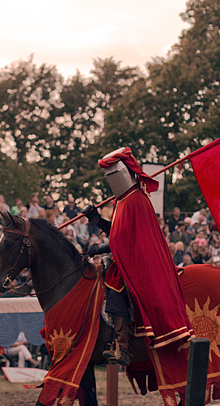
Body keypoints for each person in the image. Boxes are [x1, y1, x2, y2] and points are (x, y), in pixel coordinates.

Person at [83, 147, 193, 366]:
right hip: (124, 257)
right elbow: (116, 232)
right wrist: (95, 219)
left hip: (139, 261)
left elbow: (123, 241)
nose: (111, 178)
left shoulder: (136, 200)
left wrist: (98, 248)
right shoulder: (120, 201)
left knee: (114, 286)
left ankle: (122, 348)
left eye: (114, 172)